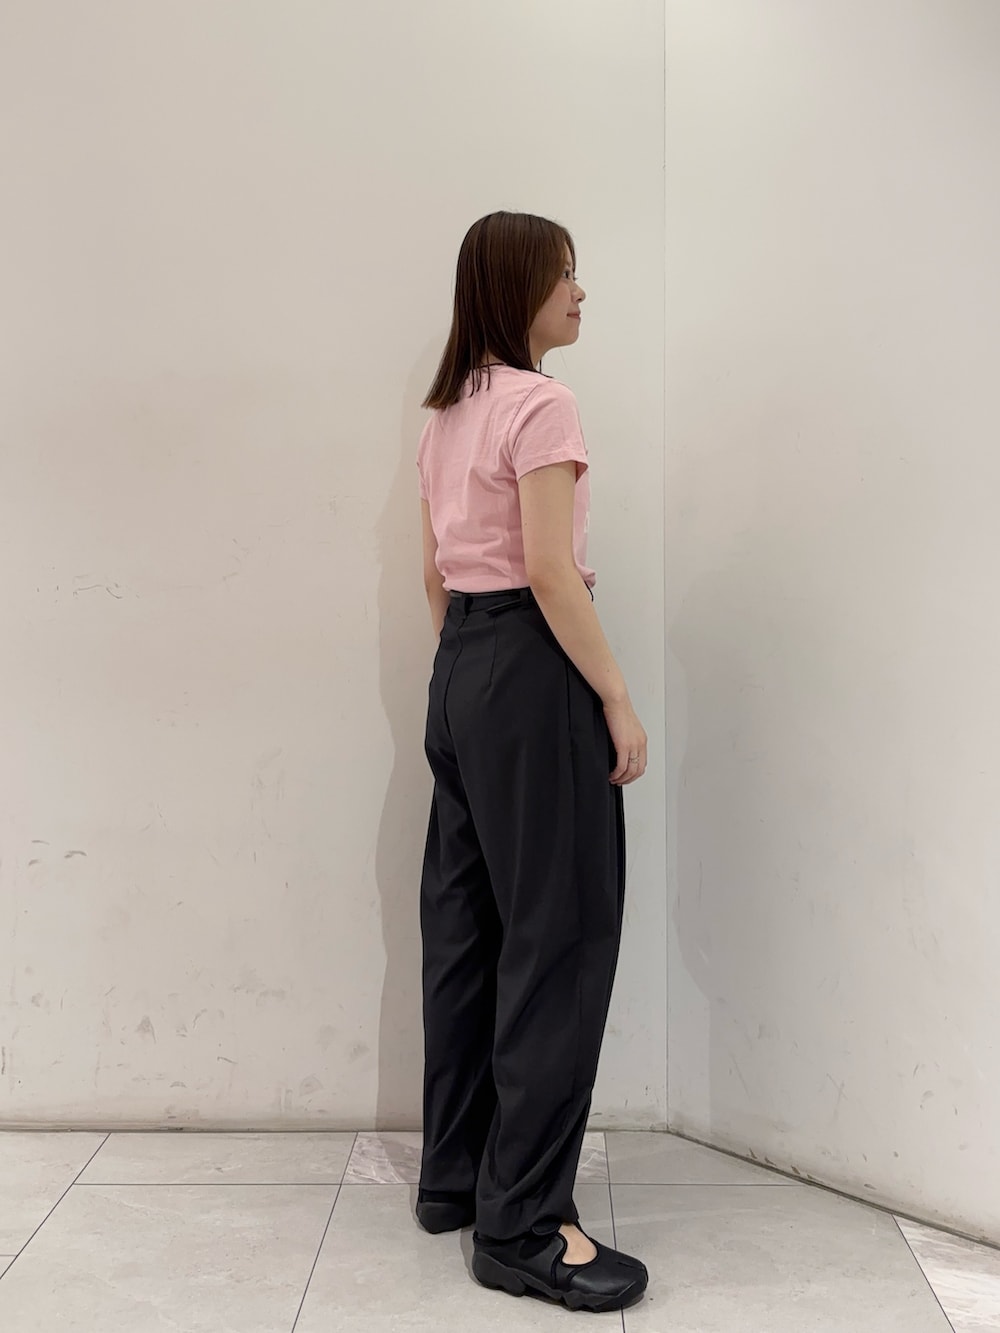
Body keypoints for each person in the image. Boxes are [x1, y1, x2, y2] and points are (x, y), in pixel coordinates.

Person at [413, 210, 649, 1313]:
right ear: (519, 290)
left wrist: (471, 677)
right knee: (560, 938)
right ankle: (521, 1227)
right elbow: (552, 570)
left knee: (469, 929)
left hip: (462, 666)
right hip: (531, 663)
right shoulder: (541, 403)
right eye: (565, 275)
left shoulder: (447, 410)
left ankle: (456, 1180)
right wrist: (614, 698)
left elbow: (435, 573)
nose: (580, 292)